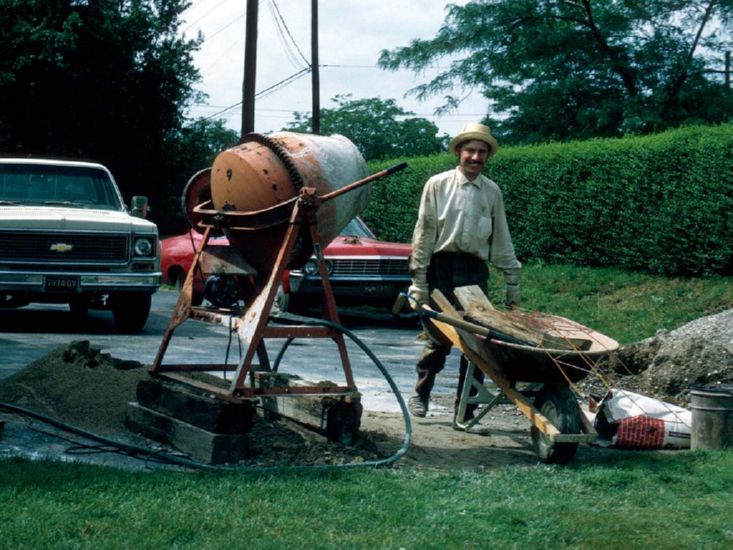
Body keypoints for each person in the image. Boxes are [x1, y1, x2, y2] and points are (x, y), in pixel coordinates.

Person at [406, 122, 522, 433]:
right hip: (440, 267)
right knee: (438, 338)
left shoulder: (492, 191)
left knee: (477, 342)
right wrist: (419, 281)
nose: (475, 156)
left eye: (481, 152)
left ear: (487, 157)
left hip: (473, 272)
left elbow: (501, 239)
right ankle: (420, 394)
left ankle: (466, 411)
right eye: (470, 150)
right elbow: (425, 232)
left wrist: (512, 283)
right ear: (459, 152)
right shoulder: (437, 184)